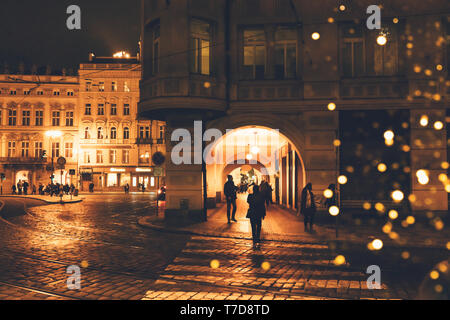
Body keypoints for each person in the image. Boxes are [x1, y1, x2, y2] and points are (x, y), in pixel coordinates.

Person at [246, 185, 266, 249]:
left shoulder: (250, 196)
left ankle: (254, 237)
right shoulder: (261, 196)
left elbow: (248, 201)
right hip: (259, 213)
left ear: (253, 189)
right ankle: (258, 237)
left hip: (252, 213)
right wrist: (264, 214)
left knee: (253, 226)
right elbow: (263, 205)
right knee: (259, 225)